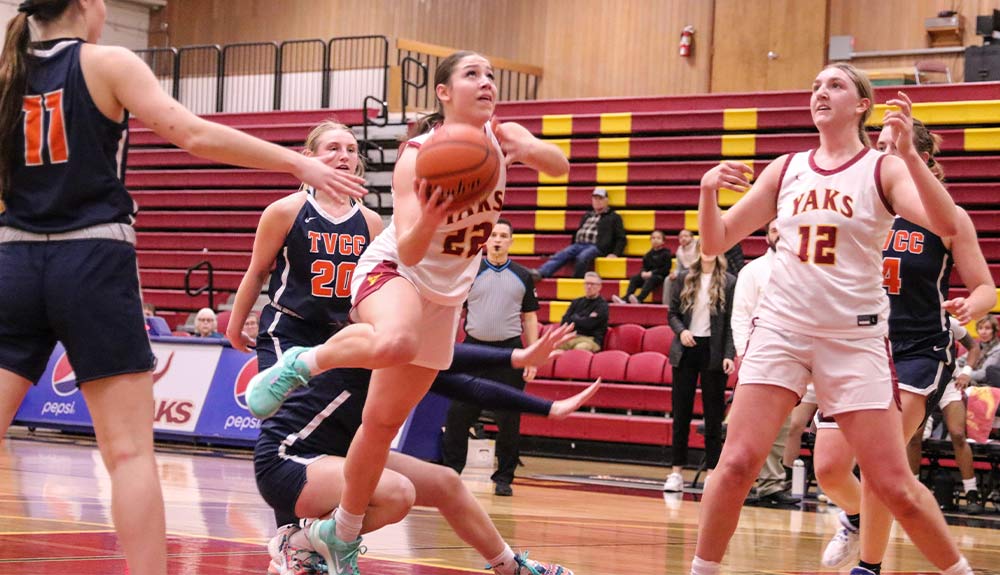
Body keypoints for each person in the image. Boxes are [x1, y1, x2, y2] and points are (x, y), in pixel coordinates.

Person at [0, 3, 365, 574]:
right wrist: (301, 163)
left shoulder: (7, 73)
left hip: (13, 257)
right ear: (87, 5)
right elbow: (190, 133)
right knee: (127, 454)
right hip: (92, 258)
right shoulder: (106, 62)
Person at [244, 50, 568, 574]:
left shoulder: (499, 141)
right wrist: (436, 211)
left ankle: (342, 537)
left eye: (490, 75)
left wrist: (529, 145)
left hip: (444, 301)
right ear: (444, 92)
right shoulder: (418, 155)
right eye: (471, 74)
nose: (486, 82)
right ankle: (303, 361)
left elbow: (561, 168)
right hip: (395, 271)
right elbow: (413, 250)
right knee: (395, 341)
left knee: (380, 423)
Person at [689, 63, 975, 575]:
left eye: (835, 85)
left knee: (895, 486)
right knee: (734, 465)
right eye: (816, 84)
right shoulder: (786, 167)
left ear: (862, 104)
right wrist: (708, 192)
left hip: (853, 336)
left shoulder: (882, 169)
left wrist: (908, 155)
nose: (821, 91)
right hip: (782, 330)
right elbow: (715, 241)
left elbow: (946, 222)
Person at [812, 117, 995, 574]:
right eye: (881, 145)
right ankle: (855, 518)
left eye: (896, 146)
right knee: (829, 468)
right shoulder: (862, 205)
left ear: (924, 158)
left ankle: (868, 567)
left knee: (881, 464)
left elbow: (985, 288)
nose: (884, 153)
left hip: (919, 351)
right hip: (860, 344)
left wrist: (971, 306)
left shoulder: (945, 217)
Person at [441, 218, 540, 497]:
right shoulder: (470, 271)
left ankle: (504, 477)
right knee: (458, 414)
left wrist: (531, 357)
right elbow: (453, 312)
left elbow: (530, 318)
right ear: (486, 240)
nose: (498, 240)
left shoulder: (522, 275)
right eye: (493, 235)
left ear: (510, 241)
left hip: (509, 353)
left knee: (509, 419)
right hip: (472, 351)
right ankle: (450, 474)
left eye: (503, 236)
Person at [730, 219, 800, 506]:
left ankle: (770, 484)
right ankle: (741, 482)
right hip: (759, 355)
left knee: (783, 426)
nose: (779, 234)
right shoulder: (753, 270)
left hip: (794, 353)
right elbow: (740, 314)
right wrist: (743, 352)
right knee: (751, 425)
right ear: (767, 235)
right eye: (774, 230)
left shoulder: (804, 269)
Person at [662, 250, 735, 492]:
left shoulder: (729, 281)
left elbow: (732, 322)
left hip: (712, 352)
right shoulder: (683, 277)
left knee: (713, 415)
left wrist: (728, 355)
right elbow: (672, 314)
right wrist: (681, 331)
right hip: (685, 349)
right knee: (681, 413)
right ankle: (676, 472)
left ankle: (712, 473)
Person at [909, 317, 984, 514]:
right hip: (922, 382)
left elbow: (974, 348)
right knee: (914, 437)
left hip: (949, 382)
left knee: (958, 434)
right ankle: (913, 493)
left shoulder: (949, 321)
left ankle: (971, 492)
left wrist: (967, 372)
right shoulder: (911, 321)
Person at [531, 188, 625, 279]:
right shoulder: (587, 215)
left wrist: (615, 253)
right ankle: (541, 273)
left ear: (606, 200)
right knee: (562, 254)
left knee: (583, 257)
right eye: (595, 198)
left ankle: (577, 281)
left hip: (596, 246)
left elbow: (620, 238)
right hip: (579, 244)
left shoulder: (614, 217)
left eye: (600, 198)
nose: (597, 201)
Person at [612, 229, 671, 304]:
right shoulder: (648, 254)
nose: (655, 240)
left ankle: (639, 298)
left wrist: (652, 273)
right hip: (648, 275)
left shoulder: (666, 253)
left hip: (660, 276)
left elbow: (666, 269)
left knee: (651, 279)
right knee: (634, 278)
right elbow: (644, 266)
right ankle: (626, 298)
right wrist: (643, 272)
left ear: (663, 241)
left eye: (658, 238)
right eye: (653, 238)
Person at [557, 271, 609, 352]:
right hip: (572, 336)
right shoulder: (576, 301)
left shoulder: (602, 305)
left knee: (580, 348)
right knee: (553, 345)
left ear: (599, 287)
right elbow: (564, 321)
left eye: (592, 284)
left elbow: (589, 325)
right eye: (587, 283)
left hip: (590, 339)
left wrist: (574, 318)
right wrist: (582, 319)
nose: (589, 286)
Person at [664, 228, 698, 304]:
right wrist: (674, 274)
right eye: (681, 237)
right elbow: (679, 267)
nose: (683, 238)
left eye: (686, 236)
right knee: (668, 280)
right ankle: (667, 306)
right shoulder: (679, 250)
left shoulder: (698, 246)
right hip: (684, 271)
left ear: (692, 238)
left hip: (697, 270)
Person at [970, 314, 1000, 386]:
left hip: (990, 385)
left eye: (987, 328)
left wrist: (962, 373)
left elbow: (982, 375)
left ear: (994, 331)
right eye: (980, 328)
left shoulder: (998, 349)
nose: (983, 332)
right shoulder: (977, 347)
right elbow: (957, 362)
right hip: (974, 381)